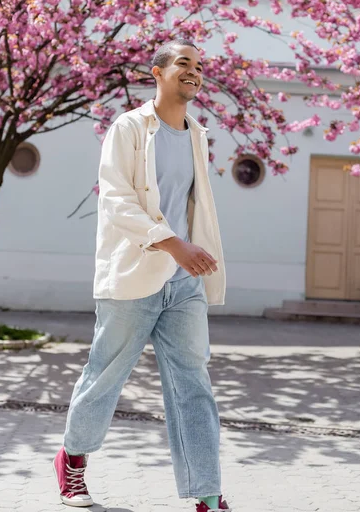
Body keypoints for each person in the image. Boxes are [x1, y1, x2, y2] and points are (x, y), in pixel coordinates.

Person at [53, 38, 230, 512]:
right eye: (183, 64)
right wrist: (172, 243)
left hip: (183, 283)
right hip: (135, 274)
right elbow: (115, 200)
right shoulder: (129, 128)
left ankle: (208, 494)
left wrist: (193, 253)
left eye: (199, 66)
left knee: (193, 384)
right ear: (157, 72)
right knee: (106, 374)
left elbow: (193, 205)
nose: (194, 71)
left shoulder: (197, 133)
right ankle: (72, 460)